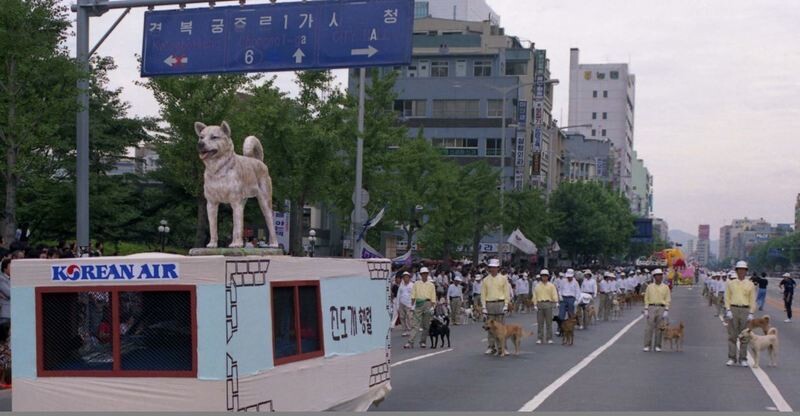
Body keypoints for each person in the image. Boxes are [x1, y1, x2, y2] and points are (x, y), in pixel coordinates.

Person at [724, 261, 757, 367]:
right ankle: (732, 357)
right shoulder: (731, 283)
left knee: (745, 335)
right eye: (739, 270)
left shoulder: (750, 284)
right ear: (737, 271)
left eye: (743, 270)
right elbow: (727, 297)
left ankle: (743, 358)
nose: (741, 272)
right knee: (732, 335)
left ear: (746, 271)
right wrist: (728, 310)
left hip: (745, 309)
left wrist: (751, 312)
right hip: (733, 308)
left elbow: (752, 300)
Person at [480, 259, 510, 355]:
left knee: (501, 327)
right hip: (490, 303)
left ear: (498, 268)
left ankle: (503, 347)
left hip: (500, 302)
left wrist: (506, 304)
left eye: (494, 267)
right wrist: (484, 307)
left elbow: (506, 292)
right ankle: (491, 346)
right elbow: (483, 294)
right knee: (490, 327)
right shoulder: (485, 280)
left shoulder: (503, 278)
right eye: (491, 267)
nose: (493, 269)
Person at [404, 267, 436, 349]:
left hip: (427, 303)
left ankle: (423, 341)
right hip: (418, 303)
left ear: (427, 274)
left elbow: (433, 297)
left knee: (426, 325)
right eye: (423, 274)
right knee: (415, 324)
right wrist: (412, 306)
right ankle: (410, 342)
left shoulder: (431, 285)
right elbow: (413, 295)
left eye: (426, 273)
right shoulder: (416, 284)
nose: (424, 275)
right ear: (421, 275)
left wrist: (433, 307)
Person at [643, 269, 670, 352]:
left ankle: (658, 345)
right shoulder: (650, 286)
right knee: (649, 327)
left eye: (661, 275)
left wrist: (666, 310)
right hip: (651, 307)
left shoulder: (665, 287)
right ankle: (647, 345)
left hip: (661, 307)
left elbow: (668, 299)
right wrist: (646, 309)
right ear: (654, 277)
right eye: (658, 275)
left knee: (659, 327)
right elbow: (646, 298)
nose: (660, 277)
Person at [532, 270, 558, 344]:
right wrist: (535, 304)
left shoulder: (551, 285)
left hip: (548, 303)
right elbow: (535, 295)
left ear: (548, 277)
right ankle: (540, 338)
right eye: (543, 276)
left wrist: (556, 302)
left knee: (549, 322)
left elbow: (554, 294)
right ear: (541, 277)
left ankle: (549, 338)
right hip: (540, 303)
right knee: (540, 322)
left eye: (546, 276)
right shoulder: (537, 286)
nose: (544, 277)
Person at [0, 258, 10, 343]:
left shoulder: (12, 279)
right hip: (5, 313)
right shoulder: (1, 279)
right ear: (5, 268)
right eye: (11, 267)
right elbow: (10, 293)